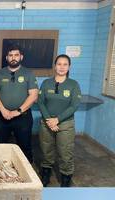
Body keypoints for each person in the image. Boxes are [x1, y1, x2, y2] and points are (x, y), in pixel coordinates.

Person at [38, 54, 81, 187]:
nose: (62, 67)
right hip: (46, 123)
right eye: (59, 64)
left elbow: (74, 105)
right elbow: (40, 102)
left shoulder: (73, 84)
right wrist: (49, 120)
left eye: (65, 64)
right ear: (55, 66)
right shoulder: (46, 83)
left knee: (65, 152)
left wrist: (57, 119)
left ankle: (66, 176)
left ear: (69, 67)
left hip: (65, 124)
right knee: (46, 150)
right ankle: (46, 173)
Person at [0, 45, 38, 163]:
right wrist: (3, 110)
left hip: (23, 117)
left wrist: (18, 112)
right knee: (0, 146)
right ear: (6, 57)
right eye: (10, 55)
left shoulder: (29, 73)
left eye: (16, 55)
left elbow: (33, 95)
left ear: (21, 57)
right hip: (2, 115)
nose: (13, 58)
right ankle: (1, 169)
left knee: (25, 146)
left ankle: (27, 172)